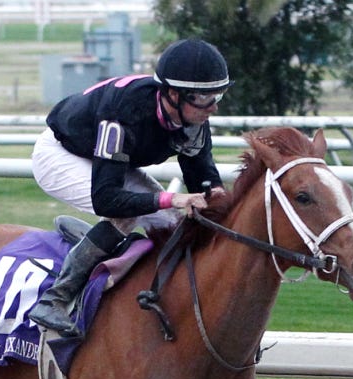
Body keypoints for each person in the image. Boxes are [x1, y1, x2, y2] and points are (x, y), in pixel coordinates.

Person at [29, 38, 230, 338]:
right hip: (62, 155)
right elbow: (107, 199)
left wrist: (219, 199)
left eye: (217, 96)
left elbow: (201, 174)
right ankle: (54, 299)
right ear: (173, 94)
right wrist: (172, 198)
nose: (213, 107)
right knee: (126, 214)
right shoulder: (124, 113)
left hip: (106, 159)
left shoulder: (193, 118)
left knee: (172, 224)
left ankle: (93, 243)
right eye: (204, 98)